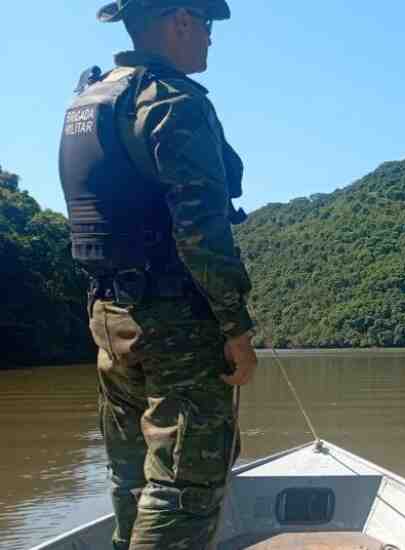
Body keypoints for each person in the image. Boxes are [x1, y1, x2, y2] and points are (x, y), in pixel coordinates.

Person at [58, 1, 257, 548]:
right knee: (183, 489)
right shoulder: (171, 100)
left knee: (129, 477)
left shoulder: (89, 100)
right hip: (176, 327)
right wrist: (236, 330)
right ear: (181, 21)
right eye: (209, 26)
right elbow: (201, 230)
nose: (212, 40)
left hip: (109, 320)